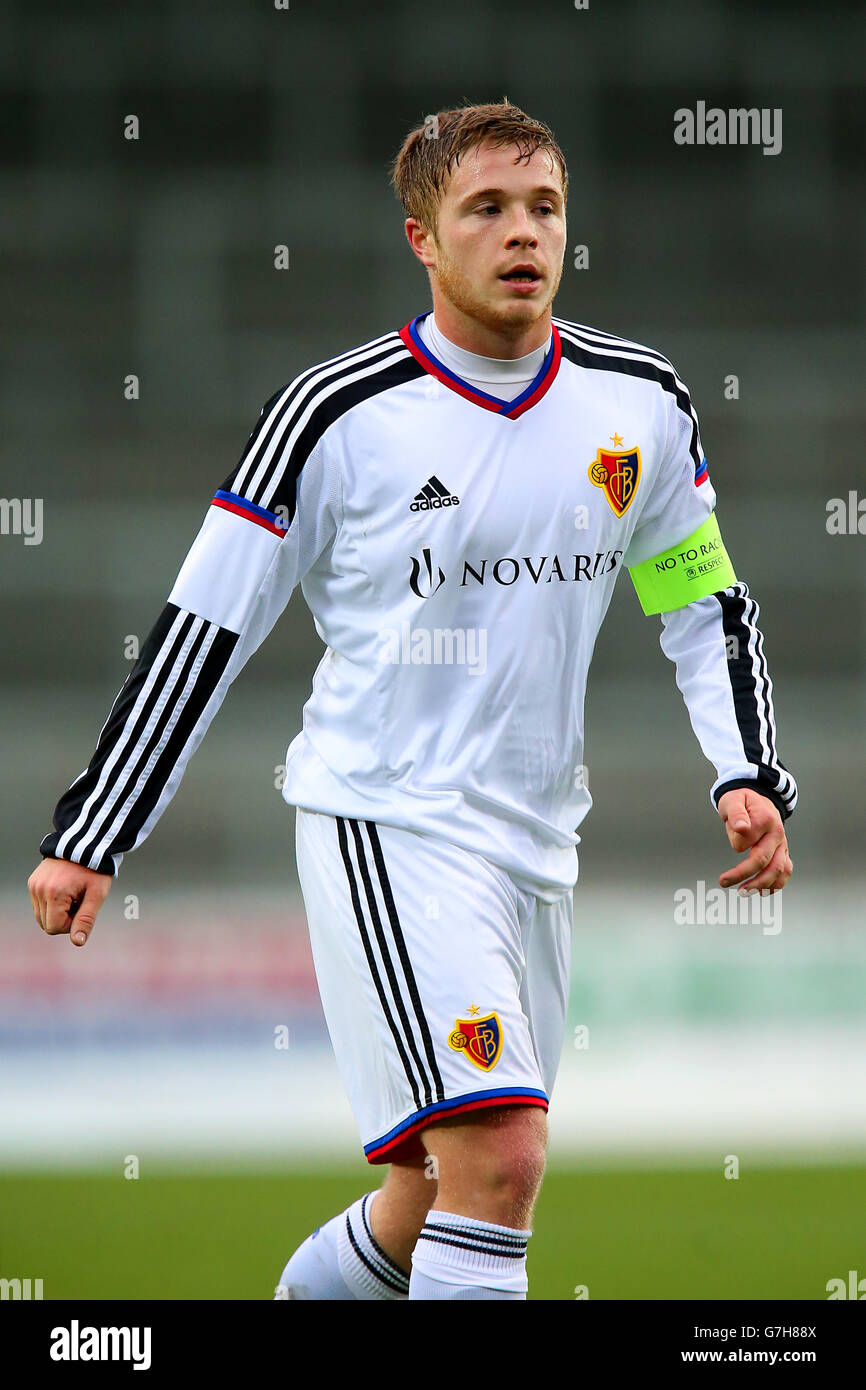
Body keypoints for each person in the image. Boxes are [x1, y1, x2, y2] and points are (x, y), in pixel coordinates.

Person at [28, 101, 796, 1301]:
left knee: (430, 1192)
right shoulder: (334, 416)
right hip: (385, 818)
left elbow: (697, 600)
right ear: (421, 240)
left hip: (534, 841)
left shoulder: (636, 405)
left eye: (541, 206)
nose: (520, 232)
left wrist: (742, 768)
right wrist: (96, 828)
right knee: (500, 1156)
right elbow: (204, 631)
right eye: (483, 208)